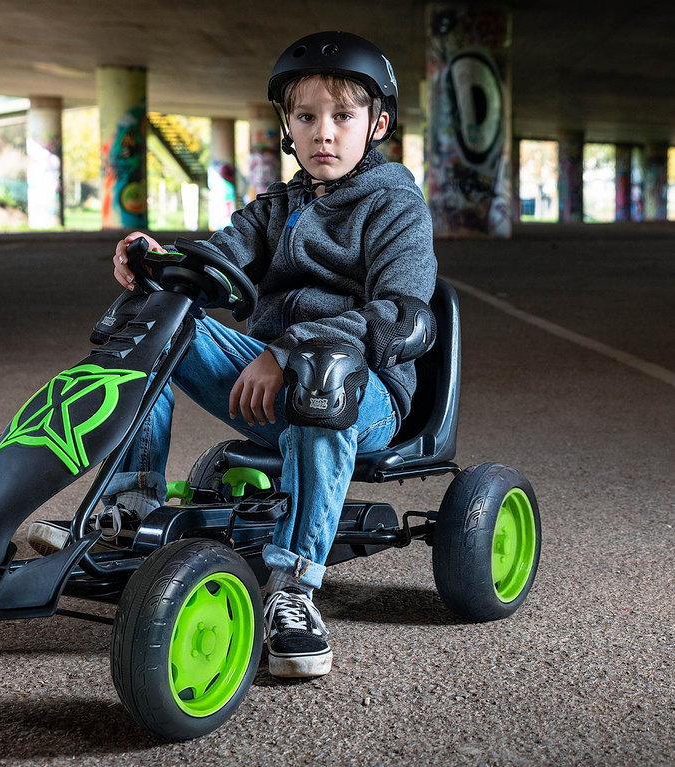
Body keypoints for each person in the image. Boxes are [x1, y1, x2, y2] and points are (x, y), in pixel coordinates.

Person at [29, 30, 436, 679]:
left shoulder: (397, 209)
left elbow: (403, 316)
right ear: (288, 126)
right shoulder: (278, 204)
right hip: (274, 380)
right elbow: (216, 258)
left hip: (366, 393)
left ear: (377, 124)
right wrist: (157, 264)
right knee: (157, 322)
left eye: (342, 116)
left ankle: (292, 589)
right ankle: (130, 511)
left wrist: (291, 350)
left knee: (321, 375)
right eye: (306, 117)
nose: (323, 133)